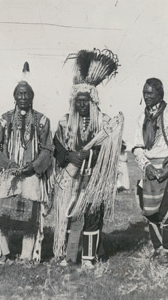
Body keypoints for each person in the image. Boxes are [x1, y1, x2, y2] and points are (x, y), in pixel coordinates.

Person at [53, 49, 121, 269]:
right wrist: (70, 155)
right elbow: (57, 147)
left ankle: (89, 258)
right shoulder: (65, 122)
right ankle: (70, 256)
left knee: (92, 214)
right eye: (78, 101)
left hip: (94, 178)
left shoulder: (104, 122)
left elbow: (111, 151)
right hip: (72, 178)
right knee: (71, 215)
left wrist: (90, 154)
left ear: (92, 101)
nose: (81, 105)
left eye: (85, 101)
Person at [0, 64, 53, 264]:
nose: (23, 98)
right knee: (2, 213)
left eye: (26, 94)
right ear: (15, 97)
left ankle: (27, 256)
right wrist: (8, 164)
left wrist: (34, 165)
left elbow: (47, 149)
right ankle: (3, 254)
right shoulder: (4, 120)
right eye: (20, 94)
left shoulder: (42, 121)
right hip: (9, 175)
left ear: (32, 97)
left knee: (31, 215)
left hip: (32, 175)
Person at [132, 78, 168, 267]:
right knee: (150, 214)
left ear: (160, 94)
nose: (146, 96)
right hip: (149, 170)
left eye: (150, 93)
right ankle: (158, 250)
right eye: (144, 92)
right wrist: (146, 165)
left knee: (167, 213)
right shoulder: (142, 118)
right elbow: (138, 147)